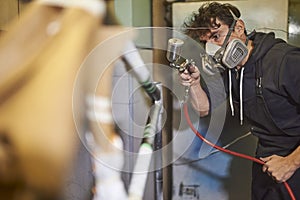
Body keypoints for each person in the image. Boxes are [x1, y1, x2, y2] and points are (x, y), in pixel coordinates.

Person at [179, 2, 300, 200]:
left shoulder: (285, 61)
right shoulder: (229, 70)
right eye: (207, 42)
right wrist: (194, 84)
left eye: (216, 36)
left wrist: (291, 163)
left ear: (239, 27)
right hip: (265, 161)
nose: (213, 49)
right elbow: (203, 108)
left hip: (294, 158)